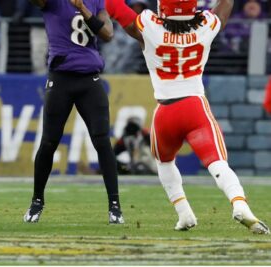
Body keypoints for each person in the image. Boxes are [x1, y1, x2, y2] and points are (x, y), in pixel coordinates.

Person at [107, 0, 270, 234]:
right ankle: (240, 204)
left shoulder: (149, 25)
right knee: (217, 162)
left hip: (165, 111)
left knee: (164, 162)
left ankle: (184, 213)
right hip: (194, 108)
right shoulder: (205, 25)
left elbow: (116, 8)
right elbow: (224, 7)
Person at [23, 0, 124, 224]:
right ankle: (37, 200)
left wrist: (84, 9)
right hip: (61, 78)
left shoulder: (96, 1)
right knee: (49, 142)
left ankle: (115, 206)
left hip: (90, 78)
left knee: (102, 140)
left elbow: (108, 33)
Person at [12, 0, 47, 74]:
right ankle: (40, 81)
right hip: (39, 25)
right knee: (38, 56)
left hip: (59, 25)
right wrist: (20, 12)